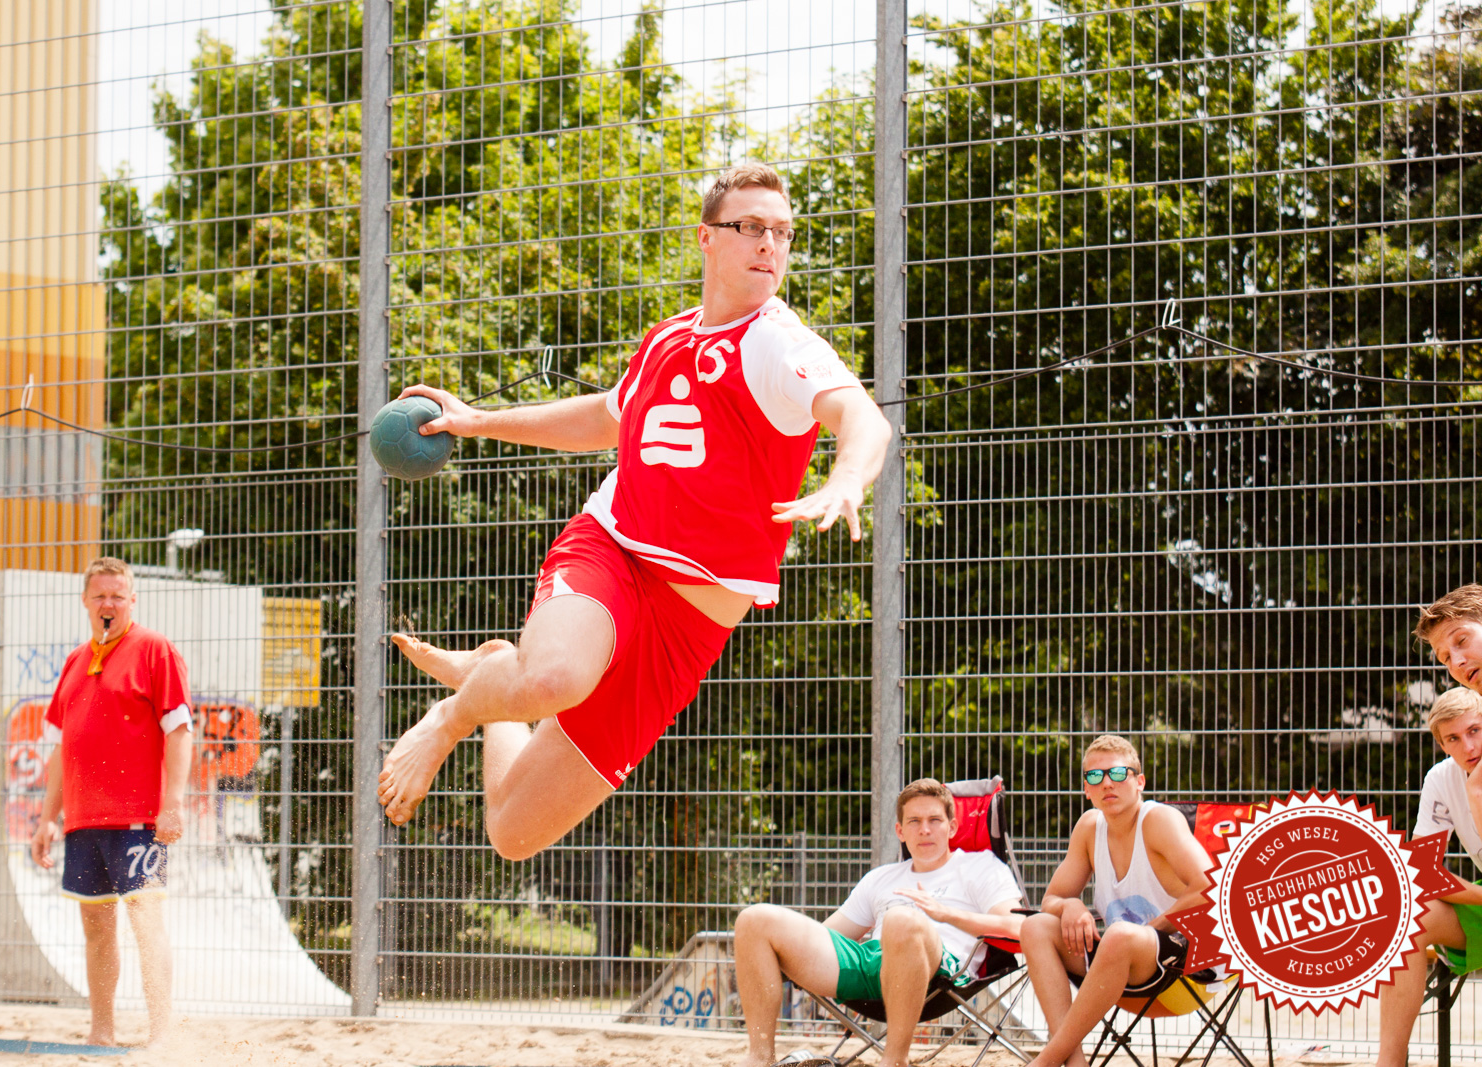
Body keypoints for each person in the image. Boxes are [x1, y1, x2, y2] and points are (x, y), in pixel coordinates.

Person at [376, 162, 893, 861]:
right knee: (554, 679)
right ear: (707, 238)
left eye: (781, 232)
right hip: (613, 552)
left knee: (512, 832)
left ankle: (499, 664)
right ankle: (452, 715)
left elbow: (862, 418)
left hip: (686, 628)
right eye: (750, 228)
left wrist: (848, 479)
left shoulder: (777, 341)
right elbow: (605, 417)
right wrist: (479, 421)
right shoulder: (667, 338)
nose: (769, 244)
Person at [731, 779, 1024, 1067]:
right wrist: (778, 953)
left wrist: (945, 914)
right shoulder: (881, 878)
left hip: (939, 973)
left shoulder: (980, 867)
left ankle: (894, 1060)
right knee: (754, 919)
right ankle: (760, 1057)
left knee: (900, 919)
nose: (924, 829)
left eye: (935, 819)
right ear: (900, 831)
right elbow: (829, 936)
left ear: (953, 827)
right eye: (914, 821)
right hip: (873, 965)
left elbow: (1017, 928)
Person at [29, 557, 193, 1047]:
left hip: (138, 818)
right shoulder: (76, 661)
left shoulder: (154, 649)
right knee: (97, 928)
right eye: (100, 595)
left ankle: (161, 1032)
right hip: (83, 820)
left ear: (132, 600)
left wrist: (174, 803)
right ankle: (101, 1032)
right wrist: (46, 819)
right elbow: (62, 746)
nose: (108, 604)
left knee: (145, 920)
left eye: (118, 596)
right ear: (85, 600)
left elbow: (180, 730)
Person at [1019, 735, 1213, 1067]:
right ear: (1086, 789)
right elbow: (1052, 897)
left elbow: (1210, 886)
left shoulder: (1158, 821)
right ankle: (1074, 1062)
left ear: (1139, 782)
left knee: (1121, 935)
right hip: (1119, 976)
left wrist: (1149, 930)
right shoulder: (1089, 828)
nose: (1107, 782)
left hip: (1185, 976)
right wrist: (1071, 906)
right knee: (1035, 926)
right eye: (1095, 776)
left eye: (1118, 773)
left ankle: (1046, 1062)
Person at [1374, 583, 1482, 1066]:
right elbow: (1420, 869)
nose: (1456, 660)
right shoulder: (1444, 778)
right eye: (1444, 656)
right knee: (1401, 919)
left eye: (1462, 640)